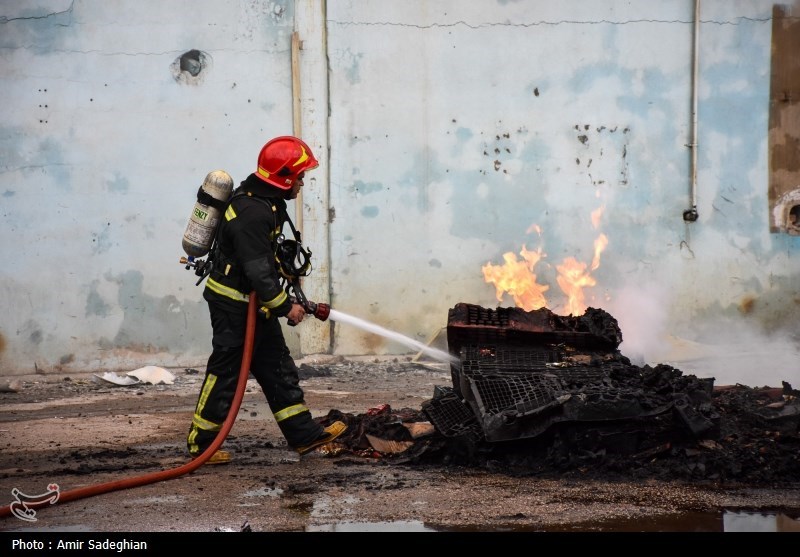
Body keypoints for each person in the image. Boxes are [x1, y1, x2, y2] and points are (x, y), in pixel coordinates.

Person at [187, 136, 347, 464]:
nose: (302, 183)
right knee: (226, 374)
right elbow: (258, 270)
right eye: (300, 176)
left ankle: (303, 436)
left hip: (253, 304)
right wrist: (286, 306)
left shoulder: (267, 203)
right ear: (284, 177)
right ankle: (201, 445)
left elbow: (264, 265)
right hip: (233, 305)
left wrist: (280, 293)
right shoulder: (251, 212)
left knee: (277, 368)